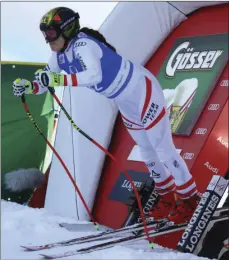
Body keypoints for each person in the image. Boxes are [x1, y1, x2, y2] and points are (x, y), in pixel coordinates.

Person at [12, 6, 199, 224]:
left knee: (163, 149)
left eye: (52, 33)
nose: (48, 40)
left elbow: (93, 74)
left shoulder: (84, 45)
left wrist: (56, 81)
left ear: (67, 29)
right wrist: (29, 86)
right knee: (147, 152)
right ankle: (166, 196)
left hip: (142, 91)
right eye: (45, 35)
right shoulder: (59, 55)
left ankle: (189, 199)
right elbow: (46, 79)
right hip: (124, 100)